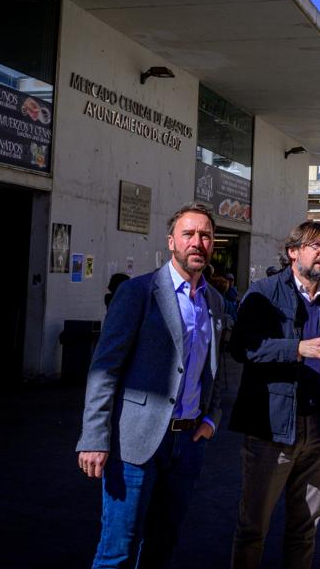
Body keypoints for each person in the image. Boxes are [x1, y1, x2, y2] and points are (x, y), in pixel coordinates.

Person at [76, 203, 227, 569]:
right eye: (188, 234)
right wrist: (95, 437)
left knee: (163, 547)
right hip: (137, 443)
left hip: (188, 443)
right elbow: (104, 369)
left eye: (205, 235)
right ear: (171, 241)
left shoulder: (215, 302)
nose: (198, 242)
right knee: (118, 551)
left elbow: (215, 369)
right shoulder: (139, 292)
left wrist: (212, 419)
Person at [228, 221, 320, 569]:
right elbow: (243, 347)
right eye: (315, 246)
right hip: (272, 428)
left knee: (306, 526)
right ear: (293, 252)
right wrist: (298, 348)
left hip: (319, 427)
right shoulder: (264, 291)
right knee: (254, 526)